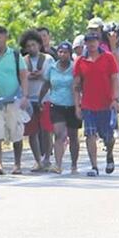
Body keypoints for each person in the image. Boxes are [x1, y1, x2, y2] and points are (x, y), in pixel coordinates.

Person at [73, 31, 119, 176]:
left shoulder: (108, 57)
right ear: (85, 44)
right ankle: (94, 166)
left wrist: (115, 99)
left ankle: (109, 155)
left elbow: (115, 79)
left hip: (106, 103)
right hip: (88, 104)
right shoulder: (80, 61)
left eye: (94, 41)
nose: (92, 44)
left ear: (98, 42)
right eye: (89, 42)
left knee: (108, 136)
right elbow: (76, 85)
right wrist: (77, 105)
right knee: (90, 135)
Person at [0, 26, 29, 175]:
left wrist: (25, 96)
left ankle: (17, 164)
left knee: (16, 131)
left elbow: (23, 76)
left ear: (6, 38)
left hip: (14, 99)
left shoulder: (15, 55)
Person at [39, 43, 80, 174]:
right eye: (60, 52)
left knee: (73, 136)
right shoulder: (52, 68)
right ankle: (58, 164)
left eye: (65, 52)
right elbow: (46, 84)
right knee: (59, 134)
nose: (62, 54)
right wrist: (40, 99)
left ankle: (74, 164)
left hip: (72, 105)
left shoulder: (75, 67)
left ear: (70, 54)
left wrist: (80, 105)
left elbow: (80, 85)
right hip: (56, 104)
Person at [20, 30, 54, 172]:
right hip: (30, 99)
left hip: (45, 99)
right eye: (28, 46)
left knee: (46, 130)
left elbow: (51, 77)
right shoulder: (23, 60)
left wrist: (40, 76)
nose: (31, 48)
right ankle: (37, 160)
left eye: (33, 45)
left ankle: (47, 158)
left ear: (39, 45)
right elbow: (21, 77)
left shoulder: (48, 59)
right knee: (32, 131)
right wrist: (29, 76)